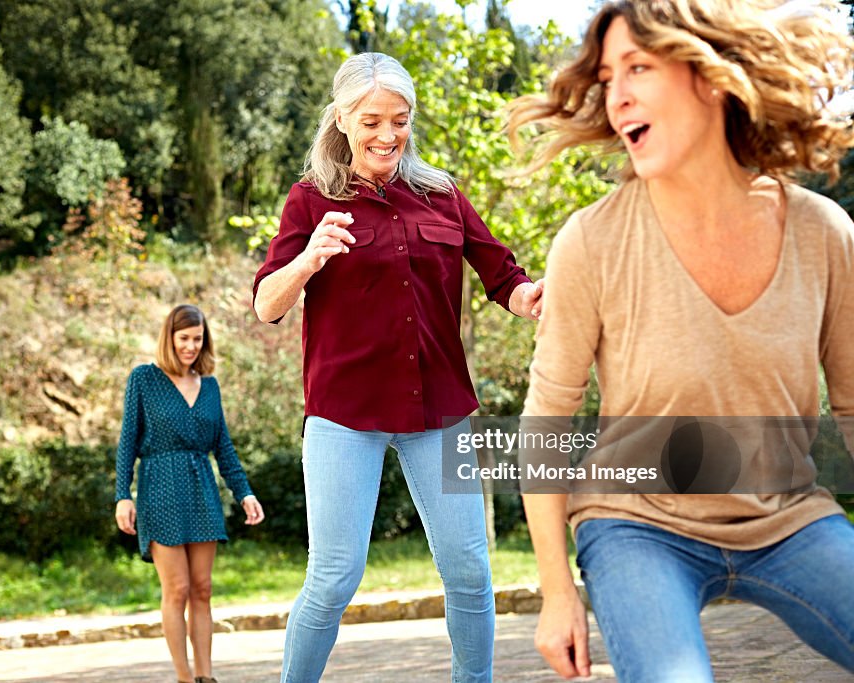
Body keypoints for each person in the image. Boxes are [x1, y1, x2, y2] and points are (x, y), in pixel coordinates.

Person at [506, 0, 854, 680]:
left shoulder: (823, 234)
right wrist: (557, 593)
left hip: (787, 516)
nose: (618, 95)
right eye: (608, 77)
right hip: (637, 524)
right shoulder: (591, 241)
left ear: (712, 76)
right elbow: (545, 420)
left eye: (639, 66)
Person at [253, 51, 544, 682]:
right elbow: (266, 305)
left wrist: (531, 298)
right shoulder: (310, 200)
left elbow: (504, 277)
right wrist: (308, 261)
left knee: (470, 573)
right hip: (344, 414)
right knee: (333, 580)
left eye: (400, 120)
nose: (388, 134)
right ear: (342, 119)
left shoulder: (441, 194)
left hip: (439, 409)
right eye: (372, 120)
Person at [114, 304, 265, 683]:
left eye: (197, 339)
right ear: (170, 337)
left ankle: (206, 676)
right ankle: (184, 677)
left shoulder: (209, 385)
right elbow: (126, 442)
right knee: (177, 588)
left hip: (202, 490)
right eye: (184, 338)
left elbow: (224, 448)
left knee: (203, 588)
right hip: (159, 488)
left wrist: (244, 492)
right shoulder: (144, 379)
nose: (191, 346)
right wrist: (122, 495)